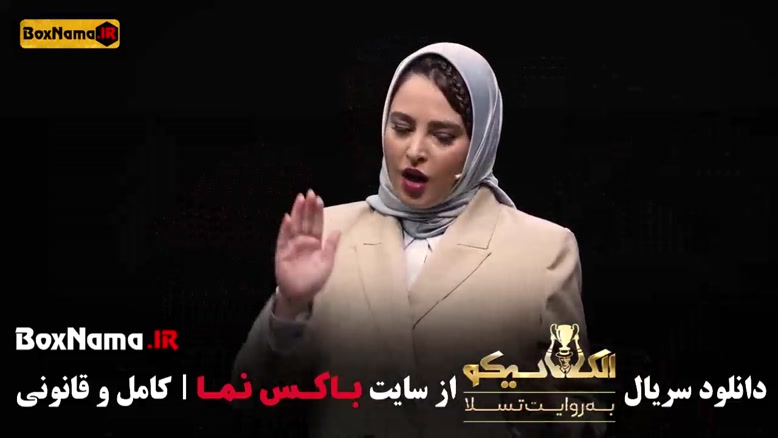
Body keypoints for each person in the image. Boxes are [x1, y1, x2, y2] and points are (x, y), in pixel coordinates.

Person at [234, 42, 603, 438]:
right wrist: (290, 307)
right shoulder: (329, 236)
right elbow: (250, 395)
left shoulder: (542, 251)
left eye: (442, 136)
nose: (414, 151)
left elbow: (582, 418)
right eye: (402, 128)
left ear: (478, 145)